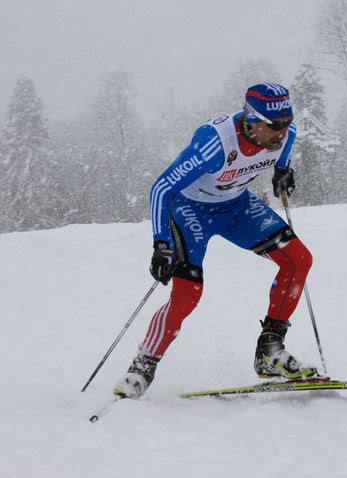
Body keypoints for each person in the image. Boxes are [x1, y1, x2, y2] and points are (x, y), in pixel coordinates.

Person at [114, 83, 317, 399]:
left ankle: (270, 351)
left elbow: (284, 150)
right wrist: (161, 243)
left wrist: (282, 171)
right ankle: (141, 368)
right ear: (252, 120)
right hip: (191, 210)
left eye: (287, 123)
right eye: (274, 125)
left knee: (298, 260)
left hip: (238, 207)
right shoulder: (215, 143)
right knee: (187, 294)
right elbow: (161, 189)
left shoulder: (284, 135)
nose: (282, 132)